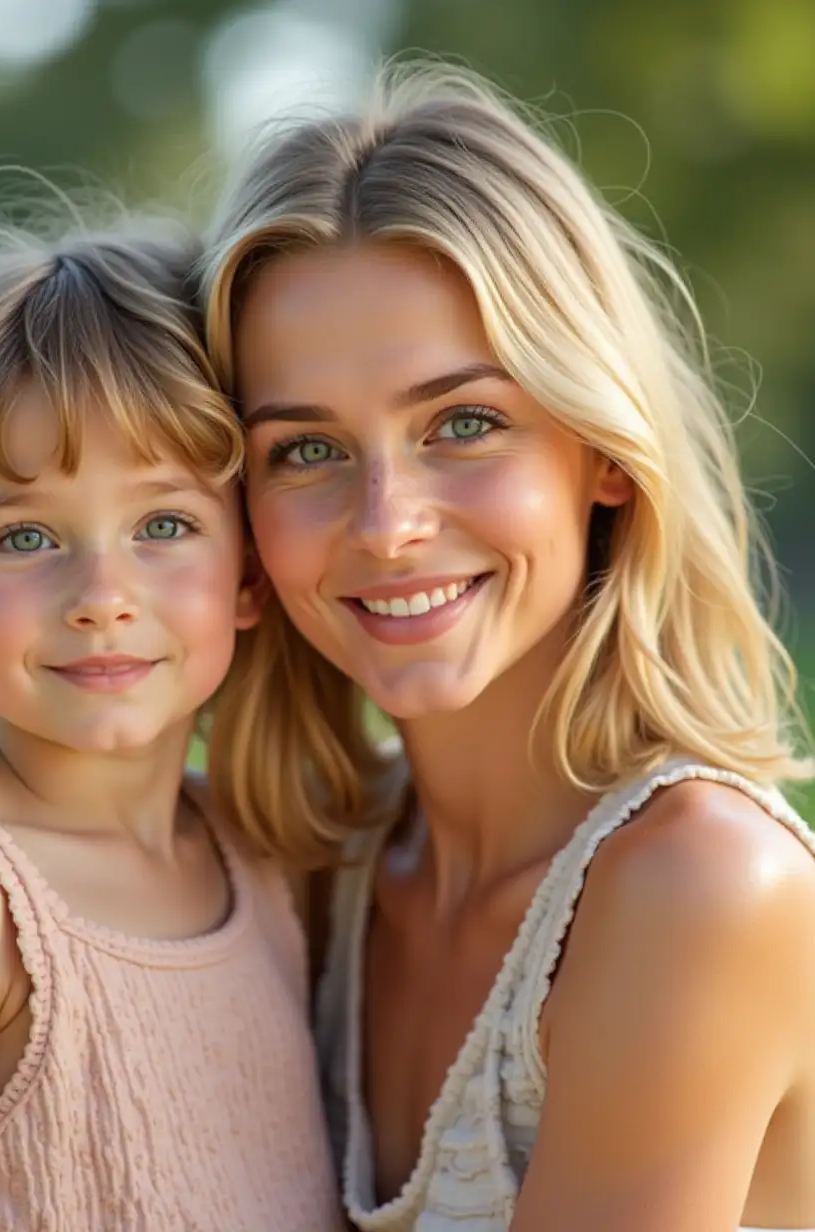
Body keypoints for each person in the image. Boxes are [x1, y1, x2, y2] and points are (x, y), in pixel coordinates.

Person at [200, 62, 815, 1232]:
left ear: (603, 453)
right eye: (305, 450)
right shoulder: (311, 883)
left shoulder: (700, 888)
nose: (386, 522)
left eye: (463, 423)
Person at [0, 207, 340, 1231]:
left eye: (165, 524)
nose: (102, 591)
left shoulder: (260, 855)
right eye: (26, 534)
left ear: (249, 574)